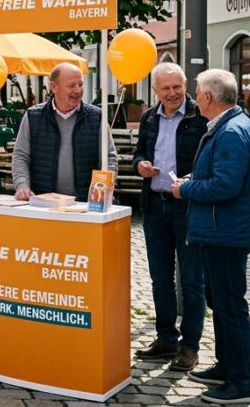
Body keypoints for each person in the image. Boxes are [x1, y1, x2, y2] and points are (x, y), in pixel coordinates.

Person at [171, 69, 250, 404]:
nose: (195, 97)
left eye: (198, 91)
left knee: (230, 305)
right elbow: (221, 174)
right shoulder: (229, 125)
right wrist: (195, 177)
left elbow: (227, 185)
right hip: (220, 231)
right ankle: (228, 365)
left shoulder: (231, 130)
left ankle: (242, 380)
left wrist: (186, 188)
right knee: (221, 303)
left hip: (226, 233)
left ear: (208, 96)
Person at [131, 62, 208, 372]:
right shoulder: (150, 117)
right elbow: (138, 153)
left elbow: (207, 162)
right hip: (154, 206)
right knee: (160, 278)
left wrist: (190, 182)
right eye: (166, 88)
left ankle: (190, 347)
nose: (173, 93)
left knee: (191, 280)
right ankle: (166, 339)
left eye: (177, 87)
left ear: (186, 85)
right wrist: (141, 166)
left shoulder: (199, 116)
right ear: (156, 91)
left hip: (186, 207)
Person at [12, 63, 118, 201]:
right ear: (54, 87)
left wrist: (104, 186)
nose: (78, 90)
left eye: (80, 84)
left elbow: (109, 158)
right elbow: (21, 156)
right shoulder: (33, 117)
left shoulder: (96, 117)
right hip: (43, 204)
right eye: (71, 85)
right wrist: (22, 186)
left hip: (86, 205)